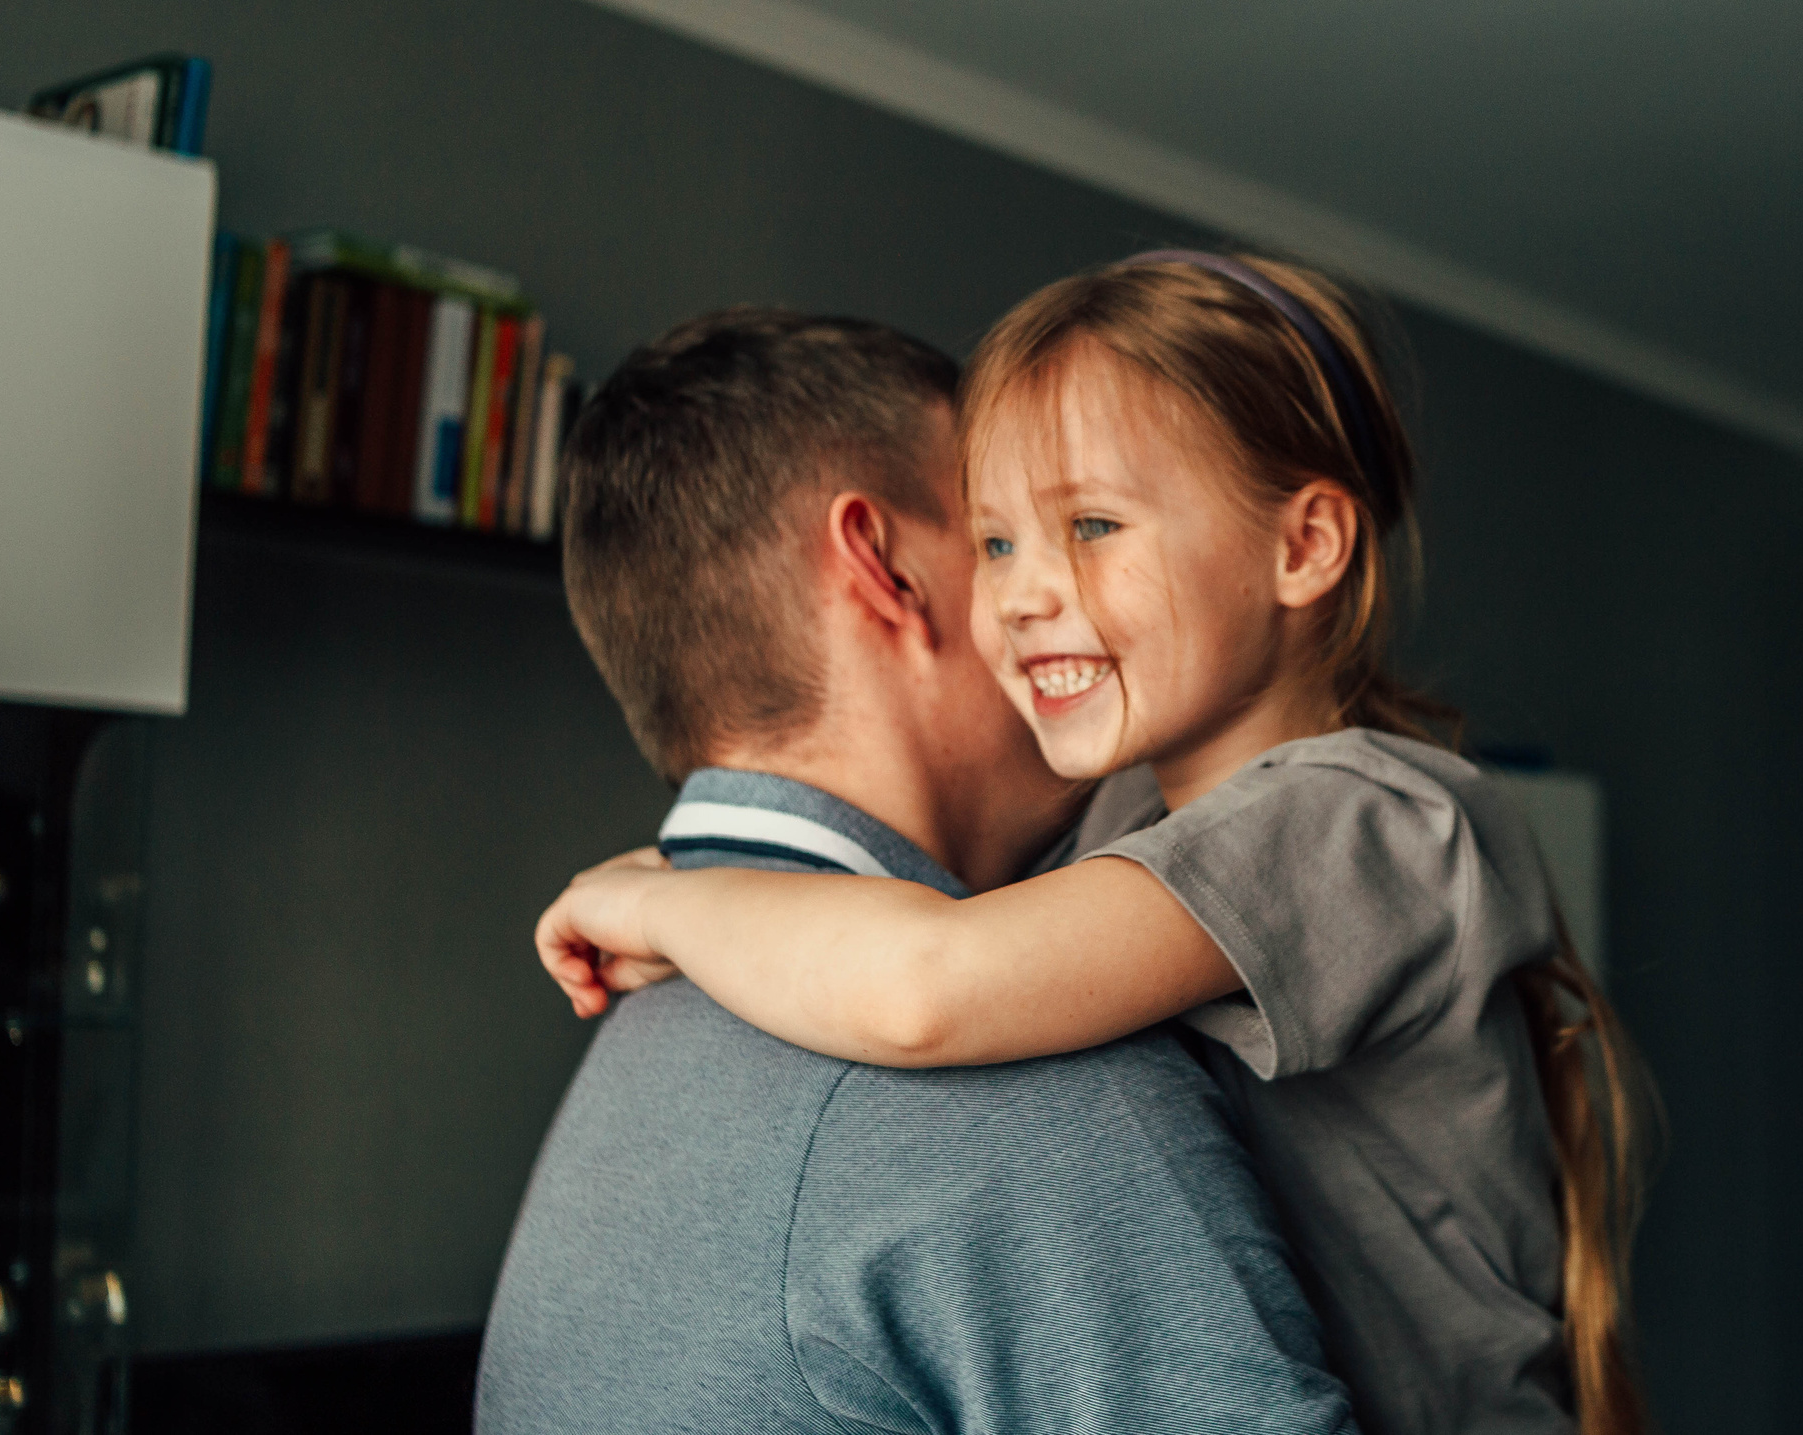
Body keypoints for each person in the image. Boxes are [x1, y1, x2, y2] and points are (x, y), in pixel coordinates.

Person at [539, 253, 1656, 1435]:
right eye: (995, 543)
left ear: (1302, 547)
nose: (1019, 595)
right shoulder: (1125, 820)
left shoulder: (1361, 823)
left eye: (1090, 525)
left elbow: (929, 984)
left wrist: (667, 903)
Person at [476, 308, 1358, 1435]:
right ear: (884, 568)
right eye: (995, 539)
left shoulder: (648, 1024)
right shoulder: (1034, 1085)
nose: (1045, 597)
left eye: (1086, 529)